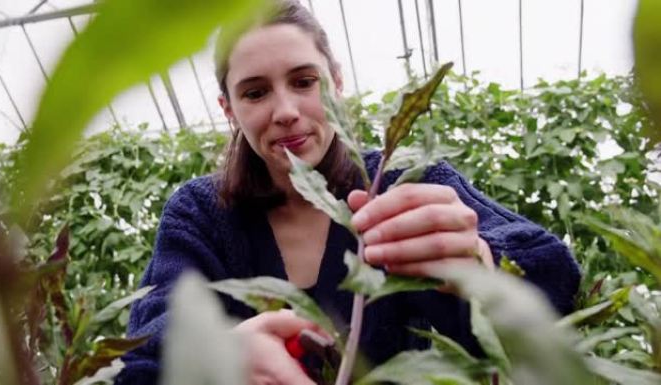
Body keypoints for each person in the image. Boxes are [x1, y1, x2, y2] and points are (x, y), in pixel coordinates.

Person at [115, 1, 581, 384]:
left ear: (336, 83)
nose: (286, 111)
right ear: (229, 110)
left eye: (304, 82)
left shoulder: (402, 179)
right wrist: (212, 358)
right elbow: (146, 345)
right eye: (255, 93)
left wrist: (480, 261)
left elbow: (555, 277)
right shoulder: (200, 213)